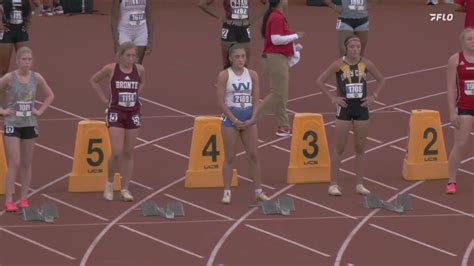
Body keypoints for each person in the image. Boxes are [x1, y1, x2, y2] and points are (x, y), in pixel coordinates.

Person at [316, 35, 385, 196]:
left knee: (360, 148)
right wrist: (333, 98)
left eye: (358, 47)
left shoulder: (366, 63)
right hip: (344, 108)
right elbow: (319, 81)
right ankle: (333, 184)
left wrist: (373, 96)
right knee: (339, 147)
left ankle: (360, 184)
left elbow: (382, 79)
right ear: (346, 48)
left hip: (361, 108)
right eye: (352, 46)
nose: (355, 49)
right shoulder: (338, 64)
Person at [0, 47, 54, 212]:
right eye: (24, 59)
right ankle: (9, 199)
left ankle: (24, 198)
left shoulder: (36, 77)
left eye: (29, 59)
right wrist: (2, 111)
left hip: (30, 123)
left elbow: (50, 95)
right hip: (13, 123)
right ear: (17, 61)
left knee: (26, 162)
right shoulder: (10, 78)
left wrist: (40, 110)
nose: (27, 62)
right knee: (14, 162)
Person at [90, 42, 145, 202]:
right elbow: (93, 80)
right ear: (120, 55)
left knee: (129, 152)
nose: (131, 59)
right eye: (128, 55)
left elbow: (142, 82)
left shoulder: (140, 69)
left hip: (133, 112)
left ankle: (125, 188)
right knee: (116, 152)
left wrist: (136, 94)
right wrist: (103, 99)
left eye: (133, 56)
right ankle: (109, 183)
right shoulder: (111, 69)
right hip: (116, 112)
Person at [217, 44, 269, 204]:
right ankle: (226, 191)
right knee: (230, 157)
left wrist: (253, 119)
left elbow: (256, 99)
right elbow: (220, 102)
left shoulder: (252, 75)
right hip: (230, 120)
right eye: (237, 57)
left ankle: (258, 191)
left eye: (243, 57)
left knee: (253, 155)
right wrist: (234, 120)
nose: (240, 59)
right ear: (231, 58)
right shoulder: (224, 75)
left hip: (249, 119)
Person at [256, 0, 304, 137]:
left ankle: (283, 127)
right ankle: (251, 120)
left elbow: (280, 39)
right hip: (275, 59)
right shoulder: (277, 17)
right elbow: (276, 39)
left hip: (278, 58)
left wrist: (294, 48)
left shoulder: (275, 15)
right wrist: (296, 35)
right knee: (277, 93)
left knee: (282, 94)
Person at [445, 28, 474, 194]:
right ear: (463, 41)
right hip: (465, 107)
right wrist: (452, 113)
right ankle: (451, 180)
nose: (473, 41)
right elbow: (450, 88)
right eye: (470, 39)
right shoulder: (455, 60)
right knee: (461, 143)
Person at [198, 0, 269, 68]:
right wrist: (220, 17)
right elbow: (202, 4)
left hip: (244, 28)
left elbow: (268, 4)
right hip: (229, 28)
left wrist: (253, 20)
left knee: (244, 64)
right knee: (227, 64)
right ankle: (227, 80)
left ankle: (242, 80)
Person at [0, 0, 41, 77]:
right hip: (6, 32)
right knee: (2, 69)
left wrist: (30, 22)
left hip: (21, 32)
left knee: (24, 67)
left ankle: (23, 88)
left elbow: (39, 6)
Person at [111, 0, 154, 64]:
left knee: (137, 64)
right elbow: (113, 18)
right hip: (124, 32)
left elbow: (150, 17)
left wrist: (150, 41)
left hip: (141, 32)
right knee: (124, 64)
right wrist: (116, 43)